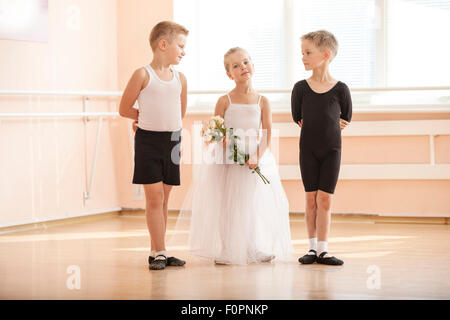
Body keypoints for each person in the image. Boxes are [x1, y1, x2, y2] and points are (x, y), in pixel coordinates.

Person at [172, 47, 293, 265]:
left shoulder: (262, 101)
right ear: (229, 74)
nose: (242, 68)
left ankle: (252, 247)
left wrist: (256, 155)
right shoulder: (225, 100)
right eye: (236, 66)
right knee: (228, 203)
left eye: (246, 62)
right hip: (226, 158)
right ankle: (228, 248)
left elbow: (266, 133)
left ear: (253, 66)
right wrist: (221, 138)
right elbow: (216, 129)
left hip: (253, 159)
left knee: (250, 203)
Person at [119, 21, 189, 270]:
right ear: (163, 44)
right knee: (154, 197)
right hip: (148, 141)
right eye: (180, 46)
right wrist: (141, 119)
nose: (183, 51)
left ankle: (157, 250)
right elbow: (124, 108)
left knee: (165, 197)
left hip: (172, 140)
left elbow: (179, 112)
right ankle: (160, 251)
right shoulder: (142, 74)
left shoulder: (180, 78)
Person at [291, 30, 352, 266]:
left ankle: (324, 250)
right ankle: (312, 248)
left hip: (332, 150)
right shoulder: (300, 88)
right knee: (310, 199)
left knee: (325, 199)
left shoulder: (341, 89)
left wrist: (332, 124)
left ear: (326, 54)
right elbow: (298, 117)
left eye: (308, 52)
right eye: (302, 53)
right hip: (308, 149)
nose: (303, 57)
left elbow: (345, 117)